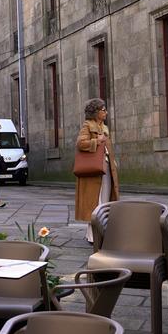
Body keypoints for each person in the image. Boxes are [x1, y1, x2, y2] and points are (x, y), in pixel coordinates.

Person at [75, 98, 119, 243]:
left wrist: (112, 160)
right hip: (94, 171)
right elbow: (80, 143)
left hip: (106, 168)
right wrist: (96, 141)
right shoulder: (87, 125)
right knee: (95, 201)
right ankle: (93, 235)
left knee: (105, 201)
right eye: (103, 109)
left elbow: (108, 149)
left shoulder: (104, 127)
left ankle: (101, 232)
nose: (106, 112)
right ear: (95, 112)